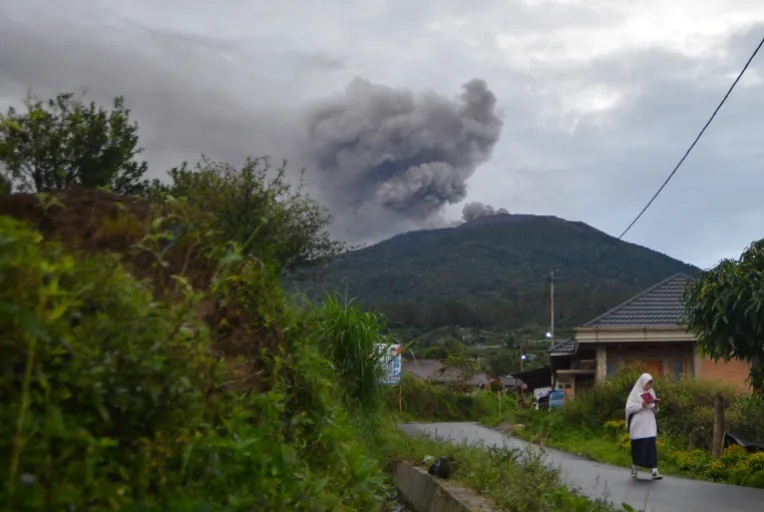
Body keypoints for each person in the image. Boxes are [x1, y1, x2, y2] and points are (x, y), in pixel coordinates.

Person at [625, 373, 663, 480]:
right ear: (642, 382)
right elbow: (629, 409)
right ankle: (635, 468)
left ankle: (654, 471)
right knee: (638, 447)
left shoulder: (651, 392)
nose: (648, 386)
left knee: (651, 446)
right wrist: (641, 405)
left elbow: (655, 410)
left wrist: (656, 405)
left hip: (649, 425)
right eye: (647, 383)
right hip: (638, 426)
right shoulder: (635, 394)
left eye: (650, 384)